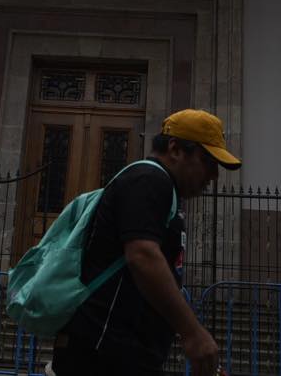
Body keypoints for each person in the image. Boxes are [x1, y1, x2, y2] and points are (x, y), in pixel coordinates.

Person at [51, 109, 242, 376]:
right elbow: (142, 255)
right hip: (102, 350)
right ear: (175, 149)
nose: (214, 176)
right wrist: (193, 333)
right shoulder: (149, 180)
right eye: (208, 162)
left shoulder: (162, 191)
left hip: (122, 353)